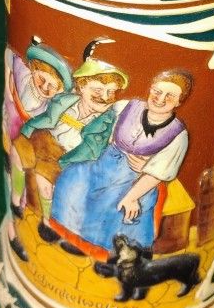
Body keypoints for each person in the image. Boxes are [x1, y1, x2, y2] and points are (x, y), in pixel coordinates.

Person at [49, 70, 193, 256]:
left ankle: (113, 255)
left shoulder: (178, 135)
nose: (160, 99)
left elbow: (158, 173)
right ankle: (73, 236)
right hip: (104, 164)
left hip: (138, 179)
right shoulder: (126, 106)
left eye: (170, 96)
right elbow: (100, 130)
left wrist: (132, 196)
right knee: (73, 179)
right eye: (157, 92)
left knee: (117, 204)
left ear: (179, 101)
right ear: (151, 89)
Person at [14, 39, 129, 243]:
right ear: (81, 87)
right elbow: (46, 119)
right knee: (18, 152)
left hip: (68, 157)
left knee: (45, 184)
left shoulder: (104, 122)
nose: (104, 97)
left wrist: (63, 163)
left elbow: (90, 150)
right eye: (97, 91)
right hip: (44, 141)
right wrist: (26, 130)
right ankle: (16, 201)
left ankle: (47, 222)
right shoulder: (65, 100)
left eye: (111, 92)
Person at [2, 37, 72, 260]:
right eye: (42, 79)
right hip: (16, 132)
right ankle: (14, 227)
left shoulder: (55, 103)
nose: (45, 87)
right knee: (15, 171)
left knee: (47, 180)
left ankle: (46, 221)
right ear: (33, 69)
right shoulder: (22, 75)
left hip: (34, 139)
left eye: (53, 86)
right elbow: (11, 58)